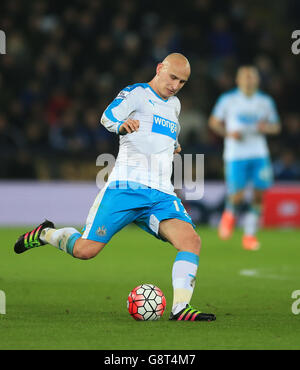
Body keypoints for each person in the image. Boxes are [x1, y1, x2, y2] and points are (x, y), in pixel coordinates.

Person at [14, 53, 216, 322]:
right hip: (126, 188)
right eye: (173, 77)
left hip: (160, 194)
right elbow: (107, 116)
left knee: (191, 240)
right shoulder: (136, 93)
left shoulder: (175, 105)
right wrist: (121, 125)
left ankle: (181, 309)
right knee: (85, 250)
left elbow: (167, 131)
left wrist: (174, 145)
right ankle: (46, 234)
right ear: (159, 69)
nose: (176, 85)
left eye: (182, 81)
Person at [208, 66, 281, 250]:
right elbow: (213, 122)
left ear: (257, 80)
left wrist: (266, 128)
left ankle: (249, 235)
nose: (249, 80)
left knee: (258, 195)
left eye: (252, 77)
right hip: (236, 154)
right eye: (245, 77)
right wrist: (228, 134)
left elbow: (276, 126)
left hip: (259, 153)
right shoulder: (228, 100)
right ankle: (229, 214)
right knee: (238, 195)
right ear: (238, 80)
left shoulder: (265, 101)